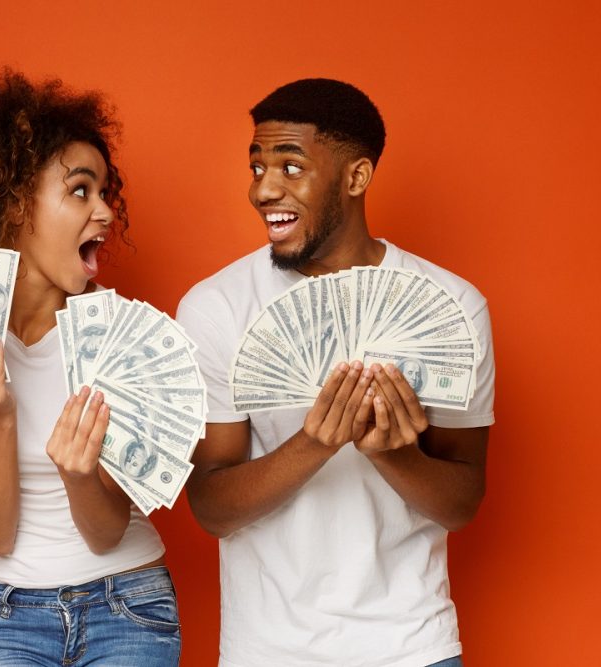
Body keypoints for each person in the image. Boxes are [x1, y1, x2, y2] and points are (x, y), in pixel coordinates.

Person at [176, 78, 495, 667]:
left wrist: (392, 453)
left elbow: (462, 502)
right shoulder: (217, 305)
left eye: (291, 168)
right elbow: (211, 509)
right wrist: (315, 442)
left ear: (356, 177)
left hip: (412, 645)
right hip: (266, 651)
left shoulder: (451, 305)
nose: (263, 189)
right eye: (256, 167)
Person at [0, 69, 180, 666]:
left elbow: (108, 533)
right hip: (11, 614)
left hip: (128, 604)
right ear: (13, 205)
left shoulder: (118, 344)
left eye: (106, 193)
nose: (106, 213)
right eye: (80, 191)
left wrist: (80, 476)